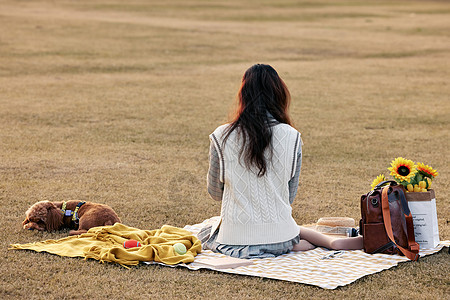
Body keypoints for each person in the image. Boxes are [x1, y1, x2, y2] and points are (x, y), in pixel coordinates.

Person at [199, 64, 362, 259]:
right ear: (279, 94)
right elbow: (288, 197)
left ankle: (292, 244)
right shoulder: (293, 137)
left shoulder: (221, 136)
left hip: (236, 239)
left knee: (207, 231)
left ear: (243, 95)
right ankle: (322, 242)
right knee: (290, 228)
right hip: (282, 236)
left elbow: (215, 193)